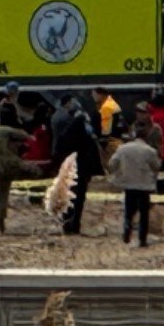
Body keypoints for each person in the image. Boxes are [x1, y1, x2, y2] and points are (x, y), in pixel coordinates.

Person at [0, 104, 38, 233]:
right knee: (35, 173)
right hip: (11, 164)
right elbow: (24, 135)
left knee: (0, 190)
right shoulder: (4, 130)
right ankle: (2, 214)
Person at [50, 94, 102, 235]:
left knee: (69, 196)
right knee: (77, 198)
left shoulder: (66, 128)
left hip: (70, 166)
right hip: (79, 167)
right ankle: (73, 225)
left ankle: (69, 225)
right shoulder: (79, 131)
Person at [109, 126, 160, 248]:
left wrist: (118, 173)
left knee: (129, 211)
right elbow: (156, 166)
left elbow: (112, 163)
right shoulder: (150, 151)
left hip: (128, 184)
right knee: (144, 214)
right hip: (144, 186)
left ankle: (127, 232)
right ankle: (142, 239)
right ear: (146, 137)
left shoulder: (123, 149)